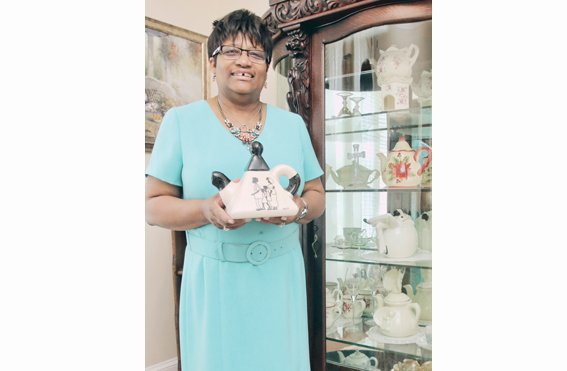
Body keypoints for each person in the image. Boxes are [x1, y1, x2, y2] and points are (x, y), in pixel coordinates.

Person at [145, 9, 325, 371]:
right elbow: (152, 206)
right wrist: (205, 210)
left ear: (267, 66)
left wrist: (298, 209)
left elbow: (317, 195)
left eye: (256, 54)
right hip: (215, 281)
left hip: (280, 278)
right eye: (231, 51)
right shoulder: (181, 121)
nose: (244, 61)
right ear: (213, 63)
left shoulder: (292, 125)